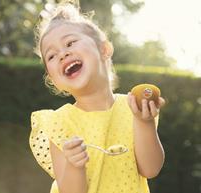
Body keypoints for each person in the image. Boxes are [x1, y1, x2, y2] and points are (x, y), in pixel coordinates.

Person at [29, 1, 165, 193]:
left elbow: (150, 169)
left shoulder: (133, 108)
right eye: (51, 56)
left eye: (70, 43)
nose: (62, 54)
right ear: (55, 81)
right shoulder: (59, 123)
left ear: (104, 49)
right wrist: (73, 165)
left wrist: (145, 123)